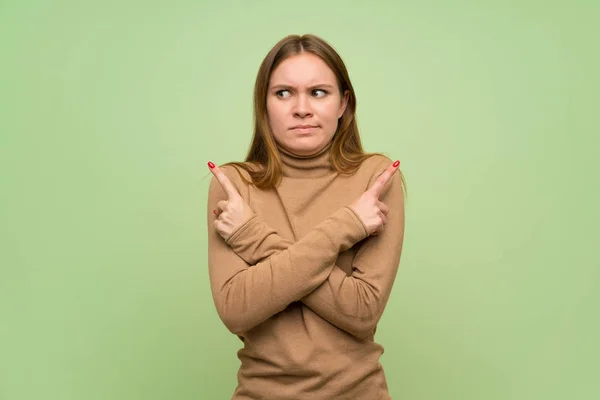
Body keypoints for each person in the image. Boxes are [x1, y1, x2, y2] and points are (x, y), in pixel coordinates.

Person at [206, 34, 406, 400]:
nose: (302, 108)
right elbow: (236, 310)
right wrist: (347, 225)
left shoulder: (375, 180)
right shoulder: (234, 184)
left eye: (318, 92)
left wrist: (253, 238)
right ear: (263, 104)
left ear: (343, 102)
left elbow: (362, 312)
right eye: (283, 92)